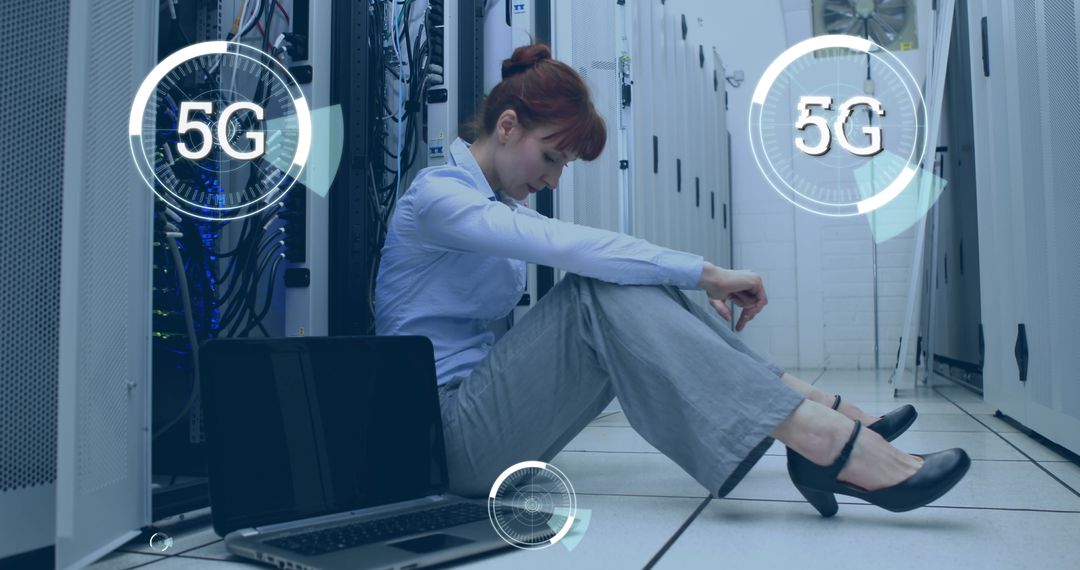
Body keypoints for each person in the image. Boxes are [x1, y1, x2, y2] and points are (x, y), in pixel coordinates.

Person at [374, 43, 970, 517]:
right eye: (551, 158)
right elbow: (575, 250)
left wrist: (681, 289)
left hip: (483, 418)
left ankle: (817, 416)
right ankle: (821, 433)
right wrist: (706, 274)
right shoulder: (438, 198)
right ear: (506, 126)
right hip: (443, 441)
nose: (554, 181)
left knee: (620, 279)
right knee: (595, 286)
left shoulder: (498, 205)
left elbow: (597, 255)